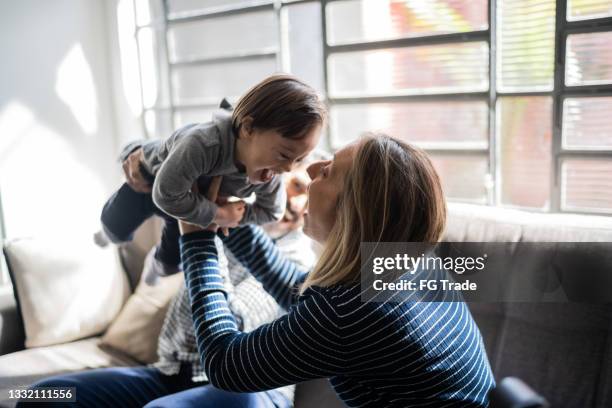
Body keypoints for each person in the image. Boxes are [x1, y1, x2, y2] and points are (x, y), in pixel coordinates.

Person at [176, 134, 496, 407]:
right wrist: (230, 217)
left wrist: (197, 238)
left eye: (327, 172)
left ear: (350, 213)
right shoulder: (410, 261)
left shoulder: (351, 309)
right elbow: (295, 289)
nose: (311, 168)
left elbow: (225, 365)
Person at [98, 74, 325, 284]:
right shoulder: (203, 144)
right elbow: (164, 194)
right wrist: (217, 214)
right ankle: (105, 235)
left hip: (188, 205)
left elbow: (271, 211)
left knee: (170, 265)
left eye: (298, 160)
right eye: (284, 155)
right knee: (114, 227)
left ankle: (155, 268)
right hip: (153, 179)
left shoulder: (271, 172)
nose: (286, 168)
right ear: (247, 128)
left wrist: (235, 215)